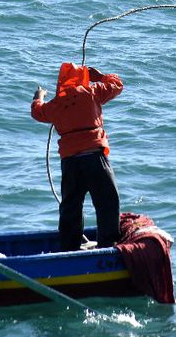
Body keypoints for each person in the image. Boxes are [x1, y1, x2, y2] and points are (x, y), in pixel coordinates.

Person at [31, 63, 124, 251]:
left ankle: (68, 248)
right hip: (95, 159)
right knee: (107, 202)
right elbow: (117, 85)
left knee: (71, 208)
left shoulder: (55, 105)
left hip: (71, 163)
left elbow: (37, 111)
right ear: (84, 78)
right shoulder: (92, 92)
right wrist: (99, 76)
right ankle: (108, 245)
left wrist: (38, 96)